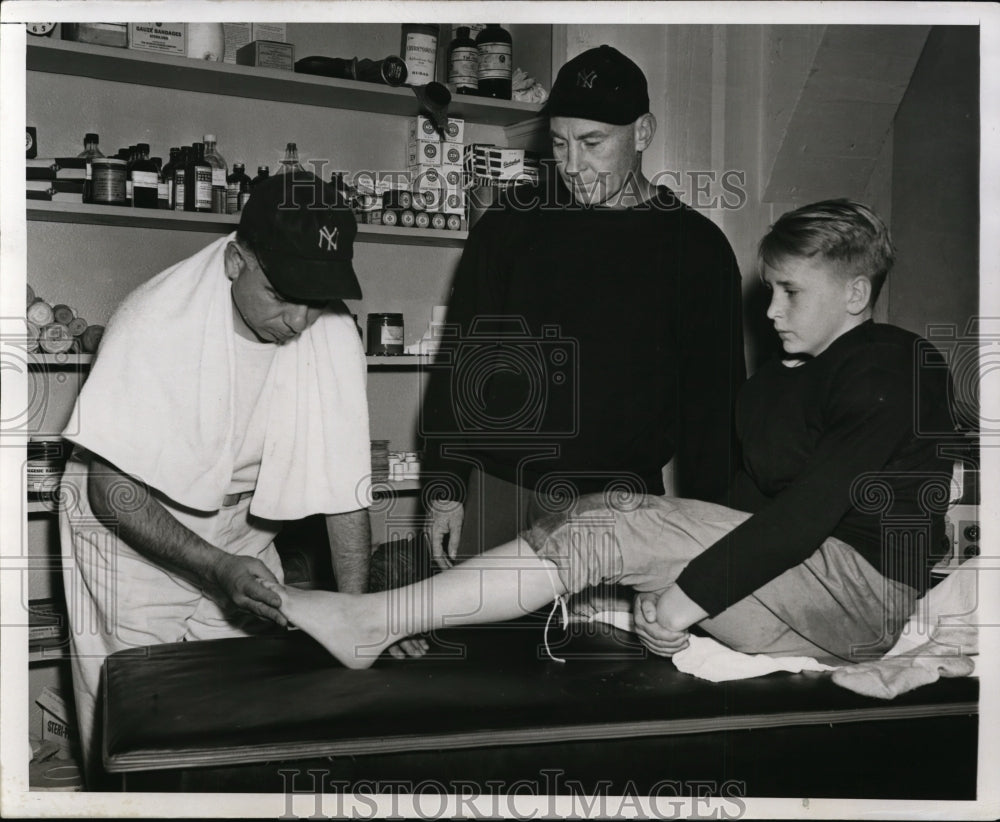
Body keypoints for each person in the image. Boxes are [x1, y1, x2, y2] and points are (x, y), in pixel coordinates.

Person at [264, 199, 955, 670]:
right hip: (789, 609)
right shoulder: (778, 380)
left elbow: (805, 516)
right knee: (598, 528)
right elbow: (743, 510)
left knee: (615, 525)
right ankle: (386, 615)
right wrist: (676, 596)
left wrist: (687, 594)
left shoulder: (895, 362)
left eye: (790, 293)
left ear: (857, 294)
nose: (769, 309)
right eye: (769, 288)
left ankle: (378, 620)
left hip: (861, 601)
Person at [57, 173, 422, 774]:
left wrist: (362, 618)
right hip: (129, 530)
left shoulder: (329, 328)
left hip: (240, 526)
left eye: (317, 298)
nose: (300, 320)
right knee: (138, 725)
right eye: (282, 295)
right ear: (235, 261)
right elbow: (110, 489)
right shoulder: (154, 322)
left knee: (246, 707)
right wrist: (216, 569)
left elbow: (345, 489)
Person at [420, 45, 746, 584]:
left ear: (642, 132)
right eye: (559, 143)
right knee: (484, 660)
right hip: (496, 495)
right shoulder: (508, 226)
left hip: (616, 507)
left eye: (593, 143)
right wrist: (444, 490)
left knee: (610, 663)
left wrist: (715, 537)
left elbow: (714, 411)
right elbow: (460, 367)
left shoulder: (698, 249)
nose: (573, 165)